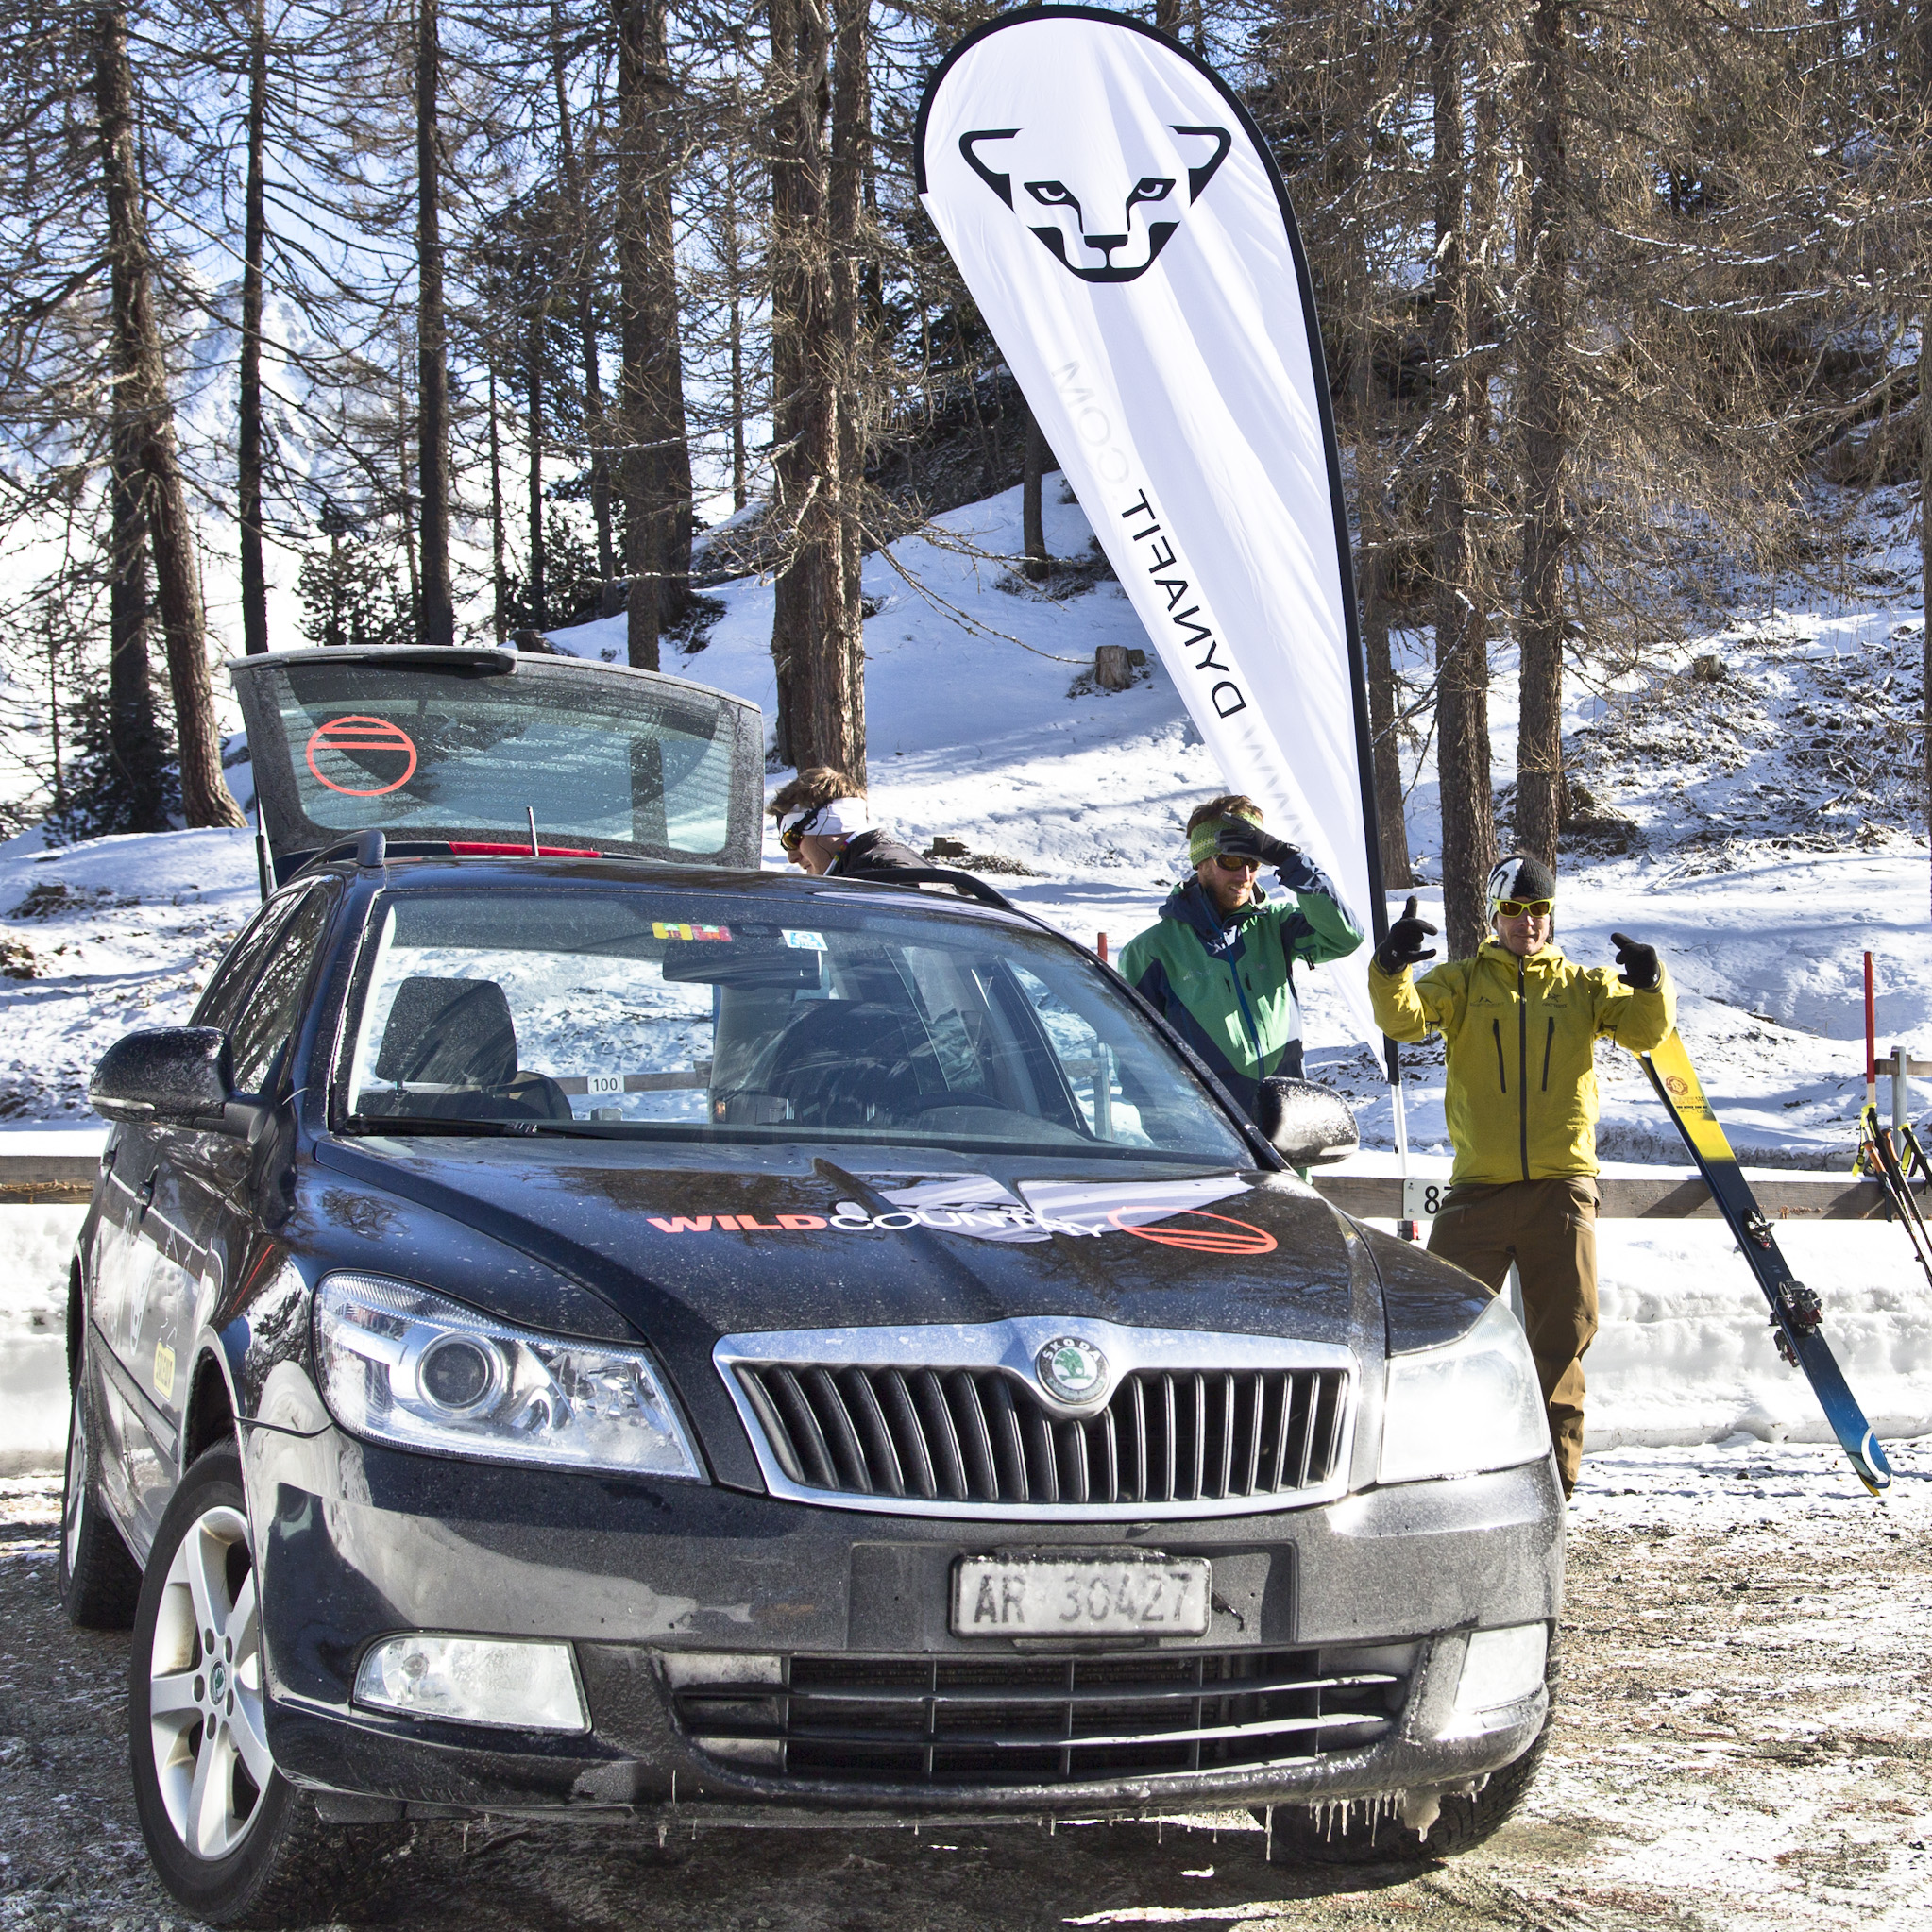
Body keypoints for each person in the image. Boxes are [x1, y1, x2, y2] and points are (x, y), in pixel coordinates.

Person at [1368, 852, 1675, 1500]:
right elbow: (1402, 1019)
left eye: (1538, 911)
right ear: (1494, 915)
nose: (1528, 922)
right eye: (1514, 910)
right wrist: (1390, 966)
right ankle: (1434, 1476)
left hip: (1562, 1187)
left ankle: (1553, 1489)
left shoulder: (1582, 986)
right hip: (1479, 1188)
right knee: (1442, 1330)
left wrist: (1651, 983)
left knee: (1561, 1340)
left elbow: (1648, 1033)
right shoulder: (1462, 981)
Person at [1119, 795, 1363, 1120]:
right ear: (1202, 862)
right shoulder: (1151, 951)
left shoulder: (1274, 925)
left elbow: (1344, 936)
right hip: (1211, 1138)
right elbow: (1135, 1063)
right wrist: (1173, 1135)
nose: (1245, 875)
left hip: (1287, 1127)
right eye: (1232, 861)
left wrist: (1290, 861)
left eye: (1255, 861)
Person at [769, 768, 924, 878]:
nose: (792, 858)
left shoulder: (875, 878)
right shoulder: (884, 864)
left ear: (827, 822)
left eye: (792, 839)